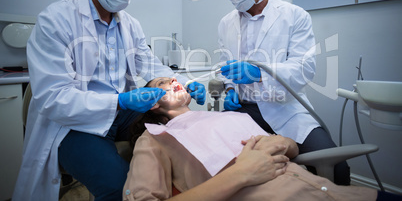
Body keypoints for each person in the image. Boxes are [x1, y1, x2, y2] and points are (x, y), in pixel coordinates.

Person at [13, 0, 205, 201]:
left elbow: (150, 66)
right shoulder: (55, 21)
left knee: (183, 145)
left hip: (122, 111)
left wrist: (183, 81)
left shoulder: (130, 25)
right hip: (73, 123)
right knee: (121, 187)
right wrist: (120, 101)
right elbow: (53, 98)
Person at [123, 77, 382, 201]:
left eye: (171, 77)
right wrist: (241, 174)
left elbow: (289, 146)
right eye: (160, 82)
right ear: (151, 104)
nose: (171, 79)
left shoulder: (224, 117)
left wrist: (282, 142)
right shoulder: (155, 138)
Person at [217, 0, 350, 185]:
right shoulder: (226, 23)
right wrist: (228, 91)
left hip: (286, 109)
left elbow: (304, 68)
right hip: (242, 110)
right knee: (228, 167)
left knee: (337, 170)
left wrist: (260, 73)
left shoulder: (294, 16)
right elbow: (226, 67)